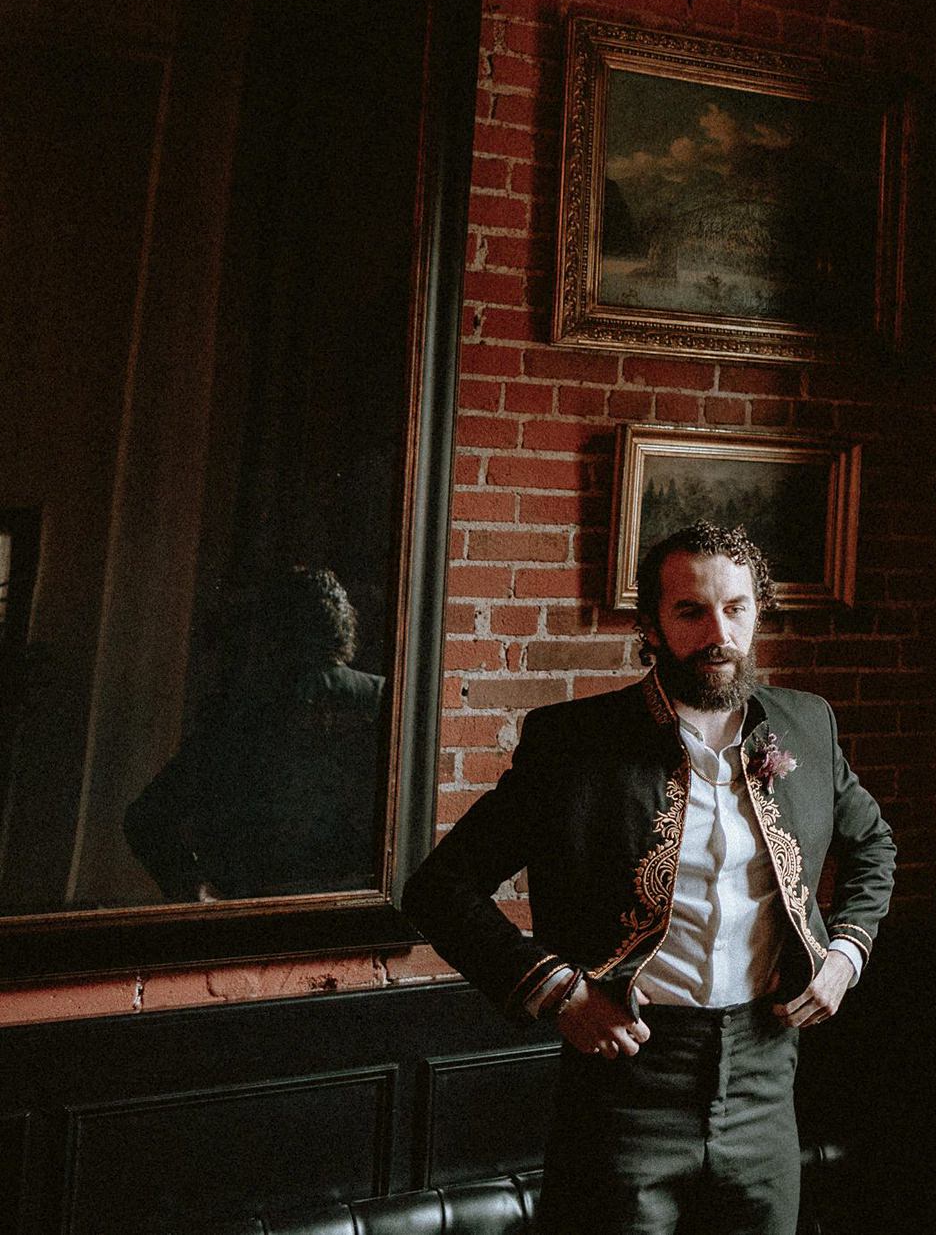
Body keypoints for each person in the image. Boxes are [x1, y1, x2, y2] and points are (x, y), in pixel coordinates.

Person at [404, 522, 895, 1235]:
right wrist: (560, 992)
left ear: (760, 612)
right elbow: (440, 888)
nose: (717, 632)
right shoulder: (574, 745)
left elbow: (874, 844)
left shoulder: (807, 724)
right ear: (653, 626)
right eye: (690, 611)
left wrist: (844, 957)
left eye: (736, 608)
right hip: (627, 1087)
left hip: (767, 1077)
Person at [125, 565, 386, 900]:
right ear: (342, 626)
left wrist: (196, 889)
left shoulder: (242, 714)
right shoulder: (385, 701)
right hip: (359, 910)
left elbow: (146, 818)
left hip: (260, 914)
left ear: (269, 635)